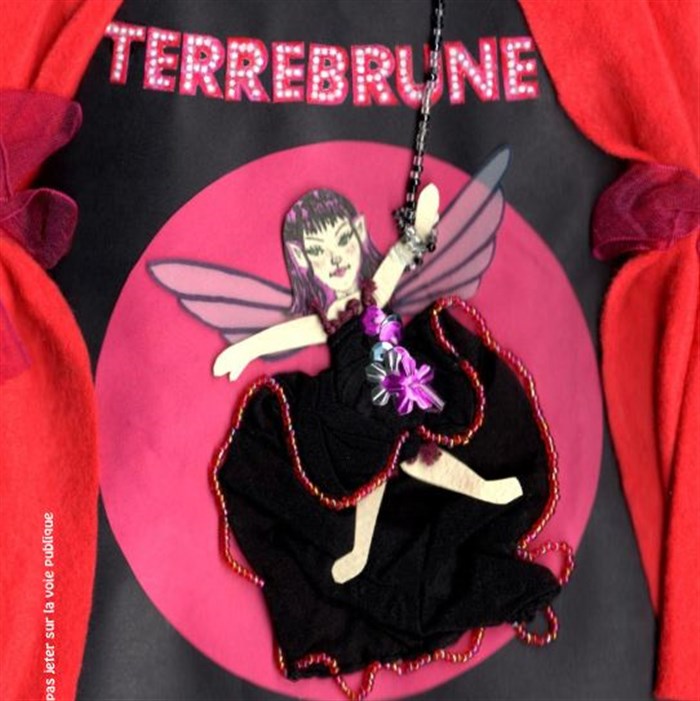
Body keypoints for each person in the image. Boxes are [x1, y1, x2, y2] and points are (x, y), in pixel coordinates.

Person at [211, 185, 560, 677]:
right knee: (375, 469)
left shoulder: (374, 291)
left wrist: (421, 226)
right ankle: (362, 547)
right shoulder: (332, 314)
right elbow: (293, 333)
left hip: (395, 378)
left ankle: (481, 489)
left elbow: (398, 258)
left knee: (417, 450)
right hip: (355, 399)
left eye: (342, 241)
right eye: (319, 252)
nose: (336, 259)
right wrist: (246, 350)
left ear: (358, 232)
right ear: (303, 260)